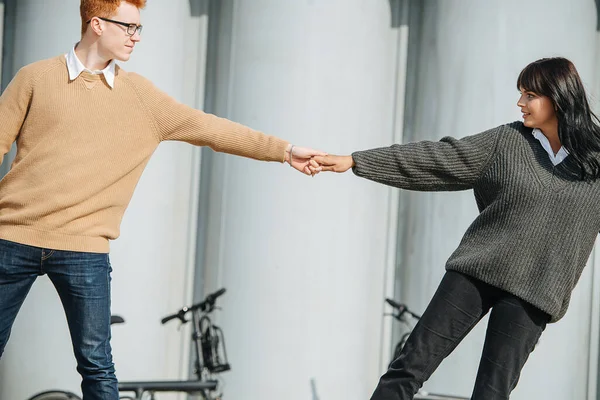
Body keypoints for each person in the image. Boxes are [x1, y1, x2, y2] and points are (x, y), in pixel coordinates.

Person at [0, 0, 324, 398]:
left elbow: (210, 128)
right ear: (96, 24)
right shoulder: (35, 78)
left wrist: (284, 150)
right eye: (129, 27)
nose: (136, 37)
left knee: (97, 365)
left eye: (140, 28)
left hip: (84, 248)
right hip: (12, 238)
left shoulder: (141, 97)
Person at [312, 57, 600, 399]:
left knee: (491, 394)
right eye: (520, 93)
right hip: (477, 271)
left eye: (530, 94)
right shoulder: (506, 142)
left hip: (535, 292)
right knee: (408, 369)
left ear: (559, 97)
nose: (520, 103)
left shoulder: (596, 159)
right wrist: (356, 160)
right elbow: (438, 158)